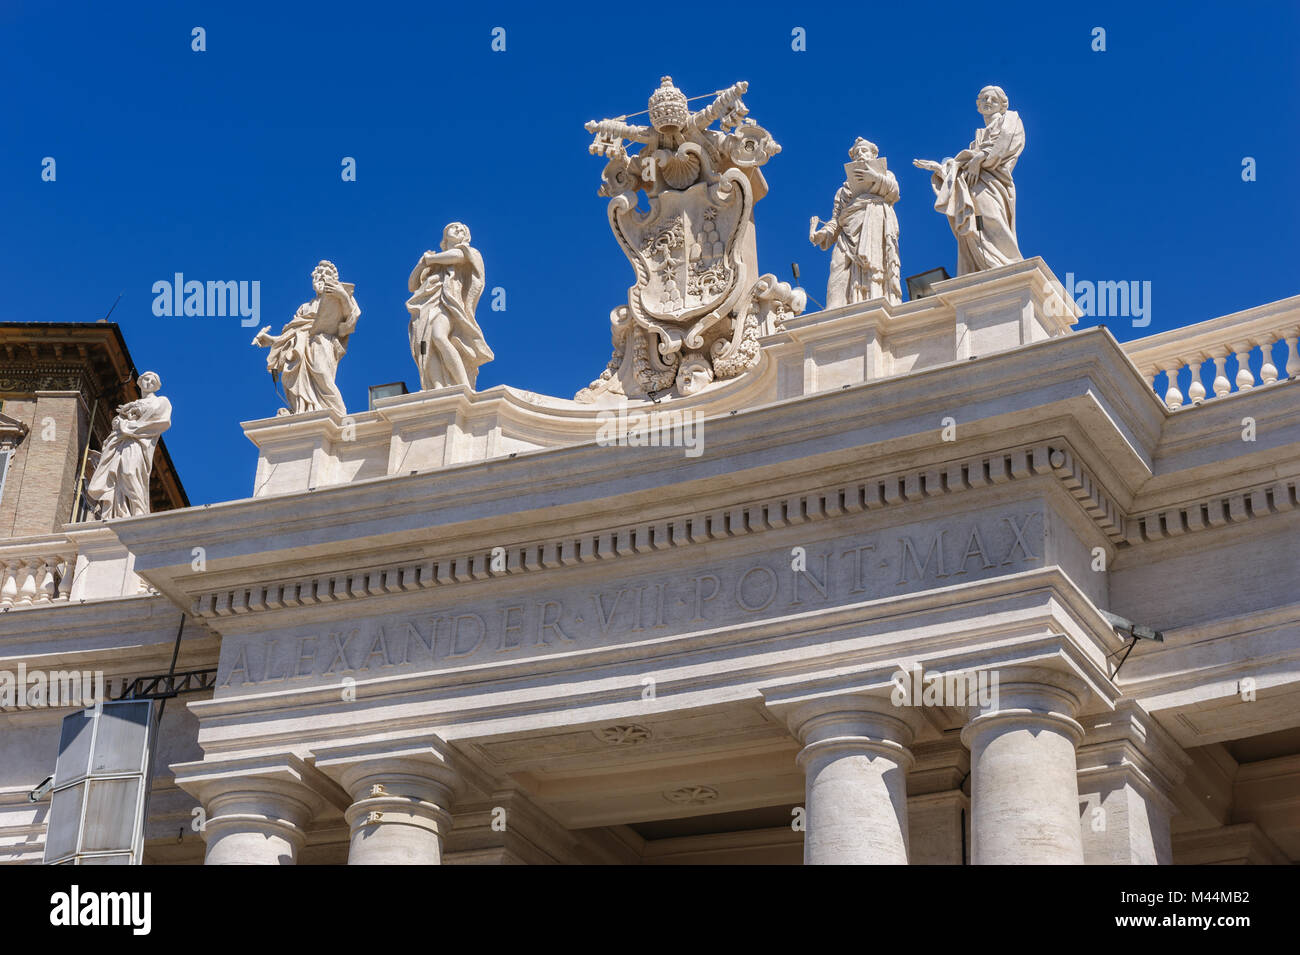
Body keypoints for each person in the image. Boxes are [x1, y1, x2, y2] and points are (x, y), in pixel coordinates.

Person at [913, 86, 1025, 275]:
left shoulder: (1011, 120)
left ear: (1002, 105)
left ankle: (1007, 264)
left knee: (992, 219)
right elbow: (961, 170)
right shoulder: (978, 139)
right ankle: (984, 267)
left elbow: (1008, 143)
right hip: (974, 187)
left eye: (993, 99)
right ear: (978, 106)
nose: (988, 102)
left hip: (993, 185)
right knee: (975, 226)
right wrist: (940, 169)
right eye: (984, 99)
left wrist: (979, 157)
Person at [252, 260, 360, 416]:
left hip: (323, 342)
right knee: (291, 377)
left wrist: (342, 295)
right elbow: (291, 333)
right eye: (319, 273)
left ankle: (337, 413)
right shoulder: (304, 307)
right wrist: (271, 340)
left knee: (321, 373)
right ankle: (301, 409)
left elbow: (350, 321)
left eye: (327, 274)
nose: (322, 276)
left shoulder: (342, 297)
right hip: (300, 346)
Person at [810, 137, 901, 307]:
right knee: (837, 266)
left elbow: (894, 192)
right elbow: (836, 219)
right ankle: (835, 309)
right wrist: (823, 233)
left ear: (874, 154)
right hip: (847, 232)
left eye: (864, 151)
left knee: (873, 264)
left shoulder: (886, 174)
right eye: (856, 153)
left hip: (874, 221)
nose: (860, 155)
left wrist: (874, 177)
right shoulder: (843, 190)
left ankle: (874, 298)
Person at [406, 222, 493, 390]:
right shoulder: (434, 265)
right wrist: (421, 265)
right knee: (425, 345)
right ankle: (438, 387)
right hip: (426, 308)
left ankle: (463, 384)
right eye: (454, 228)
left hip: (448, 306)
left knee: (439, 336)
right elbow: (412, 285)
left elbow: (457, 256)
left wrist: (429, 259)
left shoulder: (468, 253)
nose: (458, 230)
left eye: (462, 230)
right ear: (445, 236)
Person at [85, 371, 172, 519]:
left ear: (157, 386)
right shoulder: (131, 405)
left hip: (138, 442)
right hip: (121, 442)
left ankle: (139, 509)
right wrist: (120, 421)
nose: (149, 382)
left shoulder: (161, 401)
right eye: (146, 379)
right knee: (117, 475)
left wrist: (129, 424)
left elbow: (162, 421)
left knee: (129, 472)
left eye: (153, 381)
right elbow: (117, 423)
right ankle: (118, 511)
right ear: (140, 382)